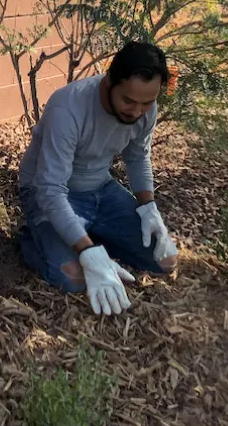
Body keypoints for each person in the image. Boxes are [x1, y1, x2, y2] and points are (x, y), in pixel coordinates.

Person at [17, 42, 180, 316]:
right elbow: (50, 190)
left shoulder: (144, 109)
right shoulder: (68, 106)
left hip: (101, 189)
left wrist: (148, 208)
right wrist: (89, 252)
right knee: (74, 278)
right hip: (48, 194)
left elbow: (138, 156)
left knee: (165, 261)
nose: (137, 111)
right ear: (109, 81)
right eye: (128, 100)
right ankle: (32, 238)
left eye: (147, 102)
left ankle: (81, 236)